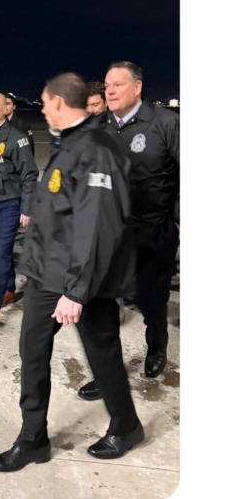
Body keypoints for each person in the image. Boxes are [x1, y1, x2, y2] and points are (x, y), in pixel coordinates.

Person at [0, 72, 143, 473]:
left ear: (58, 102)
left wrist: (76, 291)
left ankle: (126, 426)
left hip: (81, 280)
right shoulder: (70, 143)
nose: (41, 110)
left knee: (102, 353)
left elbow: (98, 226)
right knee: (33, 351)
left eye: (44, 103)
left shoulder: (96, 150)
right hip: (49, 273)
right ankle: (33, 439)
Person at [77, 60, 179, 403]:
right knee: (104, 306)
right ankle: (108, 373)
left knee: (152, 300)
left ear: (137, 87)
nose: (110, 91)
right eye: (107, 85)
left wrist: (178, 219)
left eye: (118, 84)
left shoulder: (165, 123)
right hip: (109, 236)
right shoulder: (98, 127)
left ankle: (156, 347)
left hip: (153, 233)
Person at [0, 90, 38, 324]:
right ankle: (9, 288)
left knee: (1, 252)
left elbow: (30, 175)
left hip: (9, 204)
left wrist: (27, 208)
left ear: (5, 109)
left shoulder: (17, 138)